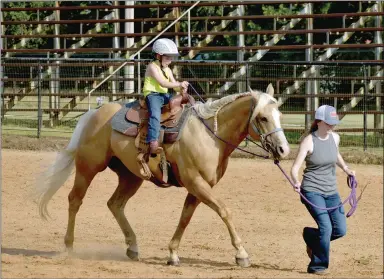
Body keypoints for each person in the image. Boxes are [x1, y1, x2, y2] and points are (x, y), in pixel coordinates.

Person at [290, 105, 356, 275]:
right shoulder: (309, 141)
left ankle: (311, 237)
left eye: (333, 123)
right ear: (319, 122)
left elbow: (336, 155)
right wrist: (296, 182)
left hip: (331, 191)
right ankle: (317, 266)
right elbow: (294, 168)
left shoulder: (335, 138)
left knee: (340, 230)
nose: (332, 126)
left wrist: (346, 169)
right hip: (312, 190)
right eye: (329, 123)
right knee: (326, 227)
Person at [143, 38, 189, 154]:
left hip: (164, 95)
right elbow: (163, 83)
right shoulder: (152, 67)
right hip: (152, 95)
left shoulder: (167, 69)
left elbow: (174, 86)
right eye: (168, 57)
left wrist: (182, 88)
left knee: (181, 107)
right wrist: (178, 84)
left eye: (171, 58)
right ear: (158, 56)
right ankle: (152, 141)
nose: (170, 60)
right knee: (155, 115)